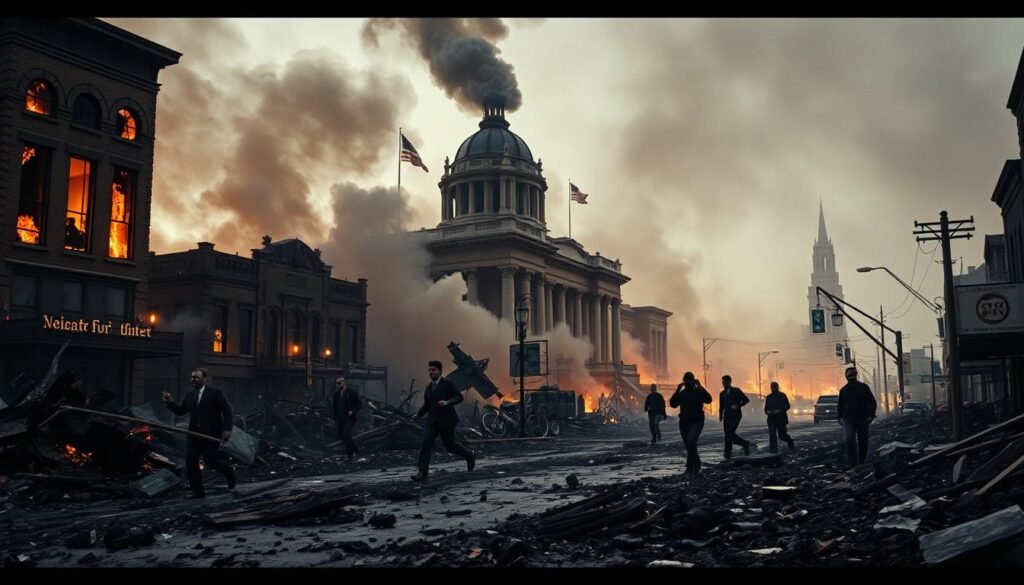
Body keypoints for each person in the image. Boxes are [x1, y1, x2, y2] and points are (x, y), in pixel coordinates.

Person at [162, 368, 236, 498]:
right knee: (190, 461)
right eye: (192, 377)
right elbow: (181, 411)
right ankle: (197, 491)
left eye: (196, 377)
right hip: (194, 435)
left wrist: (227, 429)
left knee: (211, 461)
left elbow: (227, 410)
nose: (193, 380)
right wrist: (170, 402)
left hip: (210, 434)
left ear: (204, 379)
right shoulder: (189, 395)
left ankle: (229, 472)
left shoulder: (215, 393)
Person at [410, 360, 476, 482]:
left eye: (433, 370)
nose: (431, 372)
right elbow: (427, 405)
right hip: (432, 421)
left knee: (450, 446)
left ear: (440, 371)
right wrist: (418, 414)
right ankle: (422, 472)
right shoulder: (429, 387)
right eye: (429, 370)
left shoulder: (448, 383)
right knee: (426, 442)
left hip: (446, 421)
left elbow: (458, 397)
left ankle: (469, 455)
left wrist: (447, 402)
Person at [669, 372, 713, 474]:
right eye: (685, 381)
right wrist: (677, 390)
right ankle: (697, 462)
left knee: (691, 441)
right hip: (684, 422)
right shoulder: (682, 393)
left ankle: (689, 468)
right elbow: (673, 404)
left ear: (693, 381)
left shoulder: (699, 391)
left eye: (689, 381)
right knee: (689, 445)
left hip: (697, 421)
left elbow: (709, 399)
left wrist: (701, 386)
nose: (687, 383)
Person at [837, 366, 877, 468]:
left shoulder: (864, 388)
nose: (851, 377)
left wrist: (870, 416)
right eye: (849, 375)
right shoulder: (843, 390)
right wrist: (840, 418)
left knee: (862, 441)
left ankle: (862, 462)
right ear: (846, 377)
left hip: (863, 418)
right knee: (850, 439)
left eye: (853, 375)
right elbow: (840, 405)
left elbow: (872, 402)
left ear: (856, 375)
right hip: (849, 419)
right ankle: (853, 463)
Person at [719, 374, 752, 459]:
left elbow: (746, 400)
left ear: (730, 382)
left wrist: (738, 405)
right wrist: (720, 415)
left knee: (729, 433)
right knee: (728, 435)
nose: (724, 384)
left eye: (726, 382)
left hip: (736, 415)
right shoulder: (722, 393)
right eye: (723, 382)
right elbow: (721, 405)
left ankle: (727, 454)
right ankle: (744, 443)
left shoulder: (736, 391)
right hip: (727, 416)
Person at [331, 376, 362, 462]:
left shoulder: (351, 392)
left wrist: (352, 411)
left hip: (349, 418)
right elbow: (335, 408)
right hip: (340, 418)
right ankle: (350, 453)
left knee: (346, 434)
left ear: (344, 382)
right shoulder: (336, 394)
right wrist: (334, 419)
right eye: (337, 383)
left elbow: (359, 403)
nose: (338, 384)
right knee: (342, 436)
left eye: (339, 383)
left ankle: (353, 452)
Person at [764, 381, 795, 454]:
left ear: (777, 387)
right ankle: (773, 452)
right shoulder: (769, 397)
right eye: (772, 387)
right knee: (772, 435)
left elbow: (787, 406)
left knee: (782, 435)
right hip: (771, 419)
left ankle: (789, 441)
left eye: (774, 386)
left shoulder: (782, 395)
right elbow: (766, 407)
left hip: (781, 419)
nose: (773, 388)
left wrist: (779, 411)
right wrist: (767, 411)